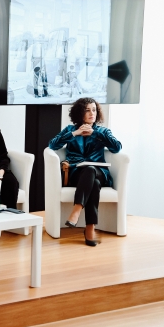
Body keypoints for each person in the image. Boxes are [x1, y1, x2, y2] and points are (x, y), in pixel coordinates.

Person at [49, 97, 122, 246]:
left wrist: (94, 134)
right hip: (77, 174)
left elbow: (117, 147)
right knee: (92, 182)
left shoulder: (102, 131)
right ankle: (90, 228)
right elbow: (52, 145)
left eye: (94, 110)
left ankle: (76, 210)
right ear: (79, 112)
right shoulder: (70, 130)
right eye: (87, 110)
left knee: (92, 171)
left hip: (100, 172)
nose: (91, 113)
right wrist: (74, 134)